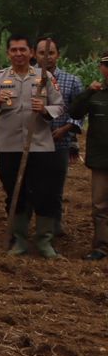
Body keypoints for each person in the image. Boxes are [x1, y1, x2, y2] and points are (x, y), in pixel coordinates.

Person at [0, 34, 64, 257]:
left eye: (22, 50)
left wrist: (45, 110)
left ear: (30, 52)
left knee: (45, 193)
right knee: (14, 193)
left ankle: (44, 240)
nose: (18, 54)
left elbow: (59, 105)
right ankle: (19, 239)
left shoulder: (44, 77)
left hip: (40, 147)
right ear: (8, 53)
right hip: (9, 147)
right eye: (14, 50)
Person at [35, 36, 83, 234]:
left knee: (55, 187)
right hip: (34, 143)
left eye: (51, 53)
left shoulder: (72, 81)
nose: (47, 57)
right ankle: (36, 225)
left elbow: (80, 112)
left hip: (60, 143)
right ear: (34, 55)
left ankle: (54, 225)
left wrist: (65, 129)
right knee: (34, 185)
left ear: (58, 55)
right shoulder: (28, 78)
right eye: (42, 53)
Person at [69, 54, 108, 260]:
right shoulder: (95, 93)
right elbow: (74, 113)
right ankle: (101, 247)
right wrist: (87, 92)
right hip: (101, 159)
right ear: (101, 68)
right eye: (107, 65)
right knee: (100, 205)